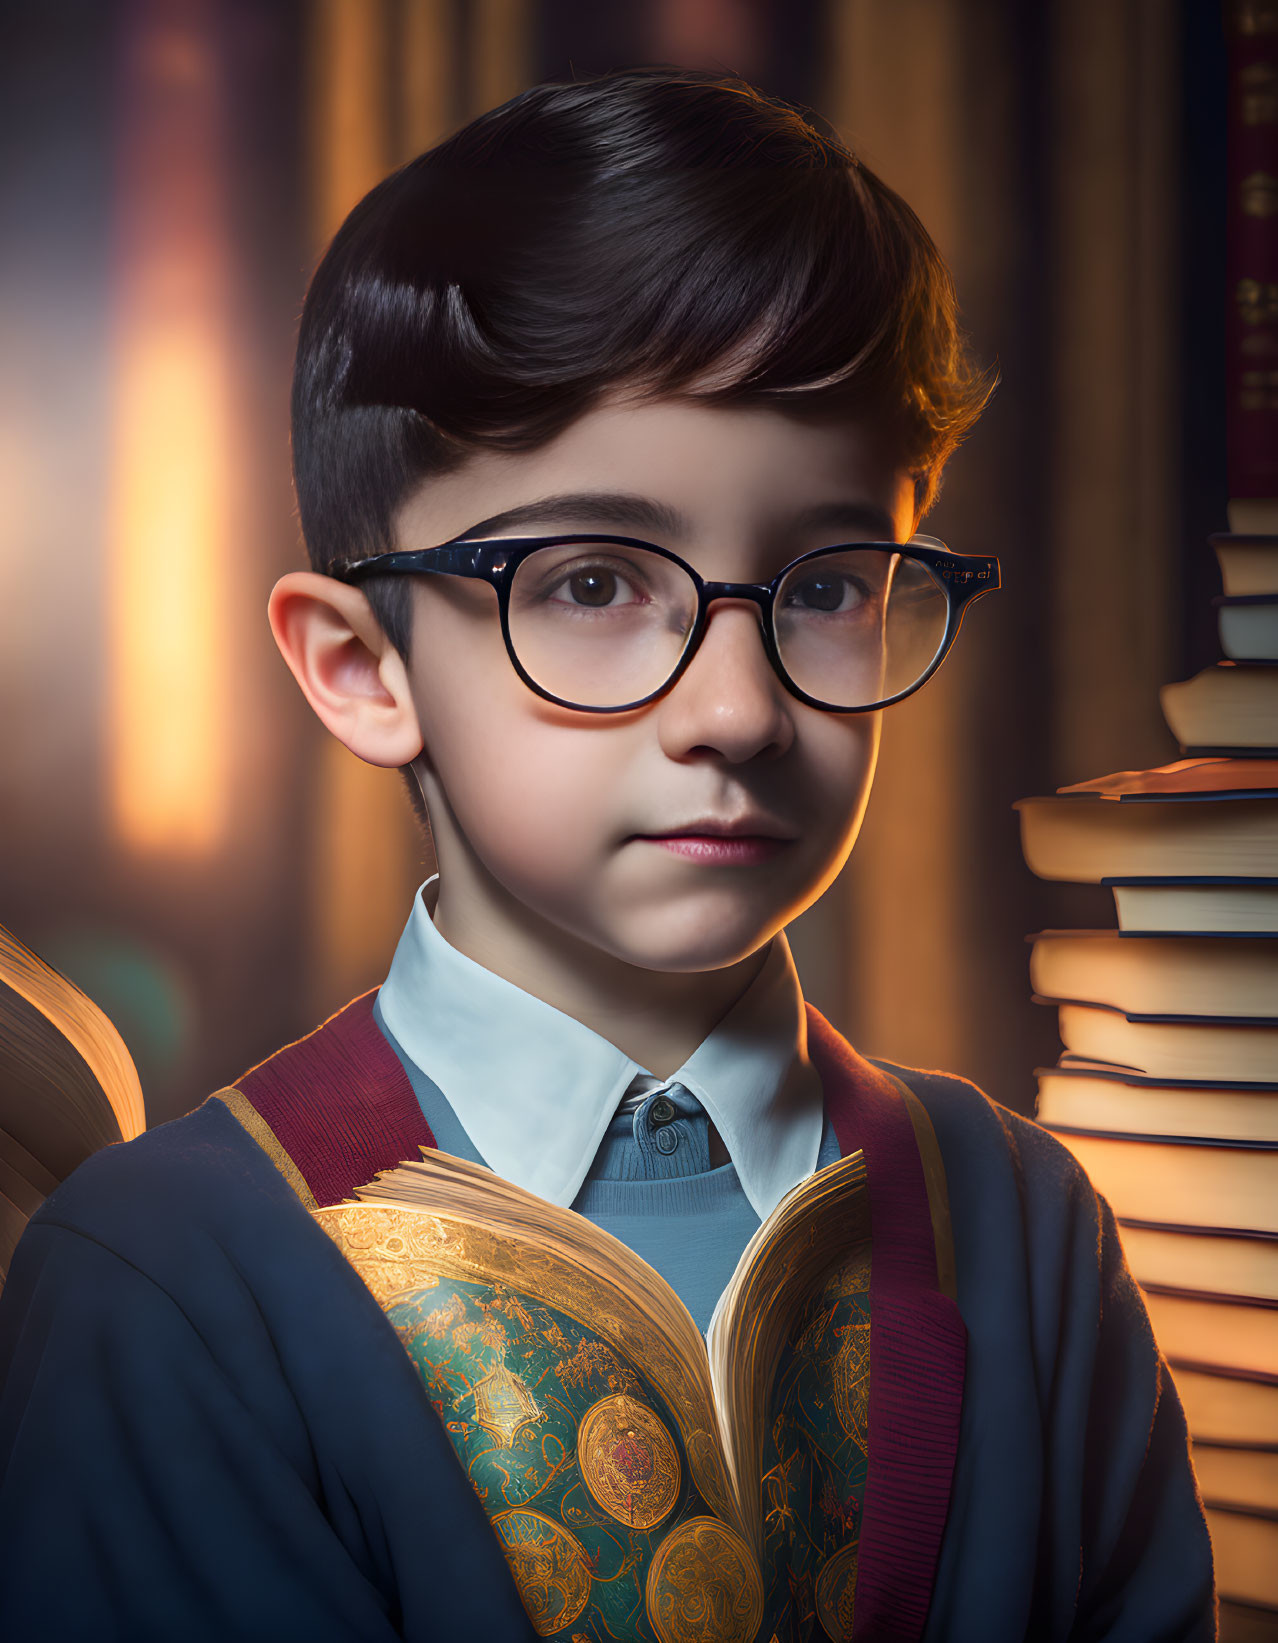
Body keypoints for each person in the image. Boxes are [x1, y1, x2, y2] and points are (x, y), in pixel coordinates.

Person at [0, 66, 1215, 1643]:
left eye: (828, 584)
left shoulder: (1026, 1224)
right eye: (587, 583)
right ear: (362, 668)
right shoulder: (167, 1274)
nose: (736, 705)